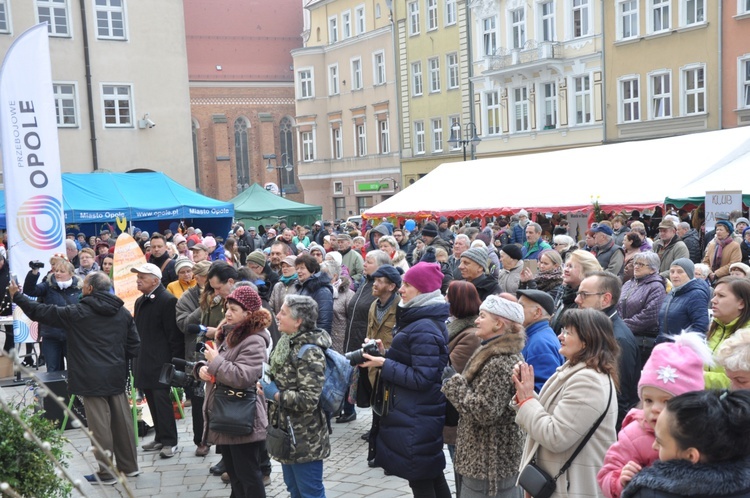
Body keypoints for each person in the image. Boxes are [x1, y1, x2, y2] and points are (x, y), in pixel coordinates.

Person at [10, 272, 141, 485]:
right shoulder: (122, 312)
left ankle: (107, 473)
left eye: (84, 286)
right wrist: (116, 359)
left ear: (89, 289)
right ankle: (130, 467)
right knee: (122, 422)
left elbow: (41, 312)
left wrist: (18, 297)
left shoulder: (78, 312)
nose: (81, 288)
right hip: (115, 373)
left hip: (90, 376)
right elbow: (134, 344)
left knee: (100, 427)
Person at [361, 262, 451, 497]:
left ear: (422, 291)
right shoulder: (420, 320)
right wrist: (387, 353)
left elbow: (422, 378)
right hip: (417, 413)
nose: (401, 289)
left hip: (418, 415)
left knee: (421, 479)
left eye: (408, 285)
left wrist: (384, 363)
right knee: (429, 474)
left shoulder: (423, 327)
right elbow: (416, 363)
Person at [512, 308, 619, 498]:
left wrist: (528, 400)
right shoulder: (576, 369)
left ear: (587, 341)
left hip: (571, 487)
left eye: (568, 332)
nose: (560, 336)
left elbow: (556, 436)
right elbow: (555, 416)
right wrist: (524, 396)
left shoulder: (588, 381)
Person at [597, 332, 713, 498]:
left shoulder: (706, 433)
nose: (655, 409)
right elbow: (607, 472)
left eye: (667, 402)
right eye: (649, 400)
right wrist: (619, 480)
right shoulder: (633, 434)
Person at [442, 294, 525, 498]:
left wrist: (453, 382)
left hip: (489, 466)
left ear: (498, 324)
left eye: (482, 316)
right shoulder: (491, 352)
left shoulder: (499, 361)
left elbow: (484, 412)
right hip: (482, 460)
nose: (476, 320)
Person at [194, 286, 271, 497]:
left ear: (248, 314)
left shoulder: (254, 339)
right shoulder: (231, 333)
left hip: (242, 417)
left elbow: (243, 376)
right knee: (236, 476)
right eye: (227, 308)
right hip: (226, 414)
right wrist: (202, 367)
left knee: (248, 477)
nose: (227, 313)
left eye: (233, 309)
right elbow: (219, 361)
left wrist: (215, 362)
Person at [260, 295, 331, 498]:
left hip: (305, 438)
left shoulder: (309, 352)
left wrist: (275, 394)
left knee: (310, 493)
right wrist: (266, 386)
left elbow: (309, 399)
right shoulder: (286, 343)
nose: (277, 315)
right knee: (294, 490)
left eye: (283, 312)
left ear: (298, 321)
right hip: (286, 433)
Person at [620, 390, 750, 498]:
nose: (654, 446)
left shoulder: (650, 493)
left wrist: (631, 488)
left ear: (691, 456)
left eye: (660, 442)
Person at [131, 263, 183, 459]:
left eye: (142, 277)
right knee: (151, 400)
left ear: (155, 280)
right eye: (138, 277)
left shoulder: (167, 300)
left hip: (161, 361)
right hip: (144, 359)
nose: (138, 280)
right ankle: (160, 436)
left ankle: (170, 441)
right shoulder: (139, 301)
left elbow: (174, 335)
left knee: (162, 401)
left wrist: (174, 364)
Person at [577, 272, 641, 429]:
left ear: (605, 299)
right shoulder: (598, 330)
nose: (577, 300)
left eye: (584, 295)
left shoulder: (617, 339)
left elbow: (619, 397)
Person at [339, 250, 391, 422]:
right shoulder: (365, 283)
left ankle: (376, 422)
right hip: (354, 339)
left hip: (368, 342)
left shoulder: (379, 290)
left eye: (369, 261)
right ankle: (352, 412)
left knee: (372, 385)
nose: (364, 264)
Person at [363, 264, 403, 466]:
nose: (375, 284)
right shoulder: (373, 305)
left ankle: (390, 456)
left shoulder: (401, 307)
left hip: (392, 364)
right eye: (375, 280)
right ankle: (377, 454)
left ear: (391, 286)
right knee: (376, 410)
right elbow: (370, 334)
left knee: (391, 413)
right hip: (374, 367)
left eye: (379, 281)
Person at [441, 281, 482, 469]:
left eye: (448, 296)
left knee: (460, 467)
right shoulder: (454, 326)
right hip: (450, 406)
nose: (444, 299)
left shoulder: (471, 334)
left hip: (457, 410)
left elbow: (449, 368)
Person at [174, 260, 213, 457]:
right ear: (197, 277)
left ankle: (223, 442)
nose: (211, 281)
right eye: (206, 276)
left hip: (220, 352)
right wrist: (203, 307)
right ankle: (202, 440)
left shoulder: (222, 292)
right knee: (199, 400)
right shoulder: (186, 298)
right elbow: (183, 324)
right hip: (197, 353)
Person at [23, 259, 83, 372]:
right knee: (52, 369)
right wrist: (34, 272)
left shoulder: (79, 288)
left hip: (72, 336)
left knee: (75, 370)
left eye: (62, 271)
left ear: (71, 273)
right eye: (56, 270)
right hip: (51, 334)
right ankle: (55, 390)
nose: (58, 273)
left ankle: (72, 390)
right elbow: (29, 290)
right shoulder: (48, 285)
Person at [617, 252, 666, 366]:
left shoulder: (656, 287)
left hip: (641, 341)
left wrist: (622, 326)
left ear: (652, 270)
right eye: (635, 263)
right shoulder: (628, 283)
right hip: (624, 336)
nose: (636, 266)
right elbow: (618, 305)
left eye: (641, 264)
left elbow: (649, 316)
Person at [516, 289, 565, 392]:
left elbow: (542, 391)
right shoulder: (538, 335)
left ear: (537, 312)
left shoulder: (541, 344)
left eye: (521, 306)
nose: (516, 310)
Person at [706, 277, 750, 388]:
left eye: (721, 296)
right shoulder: (716, 326)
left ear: (741, 303)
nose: (713, 300)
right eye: (714, 295)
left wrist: (698, 378)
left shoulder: (747, 336)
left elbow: (740, 381)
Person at [656, 258, 710, 341]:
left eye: (680, 272)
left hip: (682, 350)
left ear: (689, 274)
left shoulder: (696, 295)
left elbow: (700, 327)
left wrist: (682, 347)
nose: (674, 275)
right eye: (672, 271)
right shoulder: (672, 293)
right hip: (666, 349)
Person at [549, 250, 602, 333]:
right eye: (565, 266)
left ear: (586, 271)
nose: (565, 270)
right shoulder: (566, 293)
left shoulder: (586, 300)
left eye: (570, 266)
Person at [293, 254, 334, 334]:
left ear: (313, 270)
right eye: (297, 268)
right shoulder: (300, 287)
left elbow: (324, 322)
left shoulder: (322, 291)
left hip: (312, 339)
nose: (298, 271)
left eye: (302, 268)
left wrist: (317, 342)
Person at [320, 259, 354, 354]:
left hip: (340, 342)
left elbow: (352, 320)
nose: (320, 277)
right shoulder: (319, 292)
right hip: (322, 339)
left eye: (324, 274)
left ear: (334, 276)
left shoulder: (348, 294)